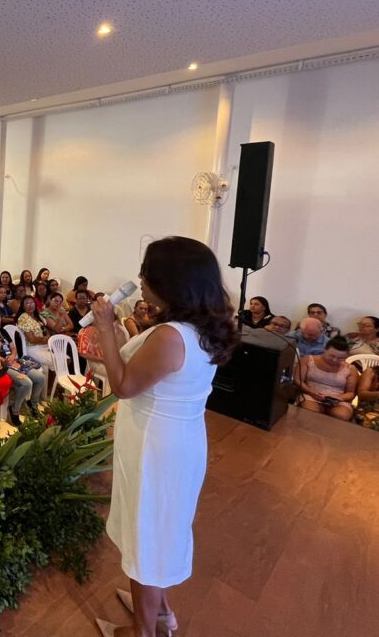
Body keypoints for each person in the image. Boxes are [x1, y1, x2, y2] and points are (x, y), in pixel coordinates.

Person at [90, 236, 236, 637]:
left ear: (171, 280)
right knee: (161, 528)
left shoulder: (171, 335)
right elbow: (141, 367)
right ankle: (161, 611)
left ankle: (143, 630)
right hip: (179, 438)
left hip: (156, 445)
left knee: (147, 535)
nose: (140, 279)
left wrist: (103, 325)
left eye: (146, 271)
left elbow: (122, 384)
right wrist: (116, 338)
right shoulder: (200, 326)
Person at [0, 308, 44, 424]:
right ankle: (14, 409)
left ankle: (33, 404)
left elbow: (13, 347)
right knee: (27, 383)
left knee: (40, 378)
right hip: (2, 365)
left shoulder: (2, 331)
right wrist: (5, 360)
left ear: (0, 320)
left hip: (13, 361)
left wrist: (13, 355)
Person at [297, 336, 359, 421]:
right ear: (325, 350)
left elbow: (351, 393)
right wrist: (311, 392)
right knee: (310, 412)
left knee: (342, 416)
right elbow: (298, 380)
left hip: (337, 399)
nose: (334, 360)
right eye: (331, 356)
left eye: (340, 358)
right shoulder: (308, 360)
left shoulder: (350, 369)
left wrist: (339, 398)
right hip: (310, 394)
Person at [15, 295, 55, 371]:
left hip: (45, 345)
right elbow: (32, 340)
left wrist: (46, 338)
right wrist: (44, 339)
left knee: (65, 357)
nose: (30, 305)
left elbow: (47, 332)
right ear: (23, 307)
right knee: (58, 361)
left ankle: (53, 382)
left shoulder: (38, 316)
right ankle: (51, 382)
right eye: (27, 304)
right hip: (33, 348)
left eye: (32, 302)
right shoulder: (23, 317)